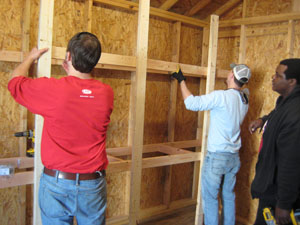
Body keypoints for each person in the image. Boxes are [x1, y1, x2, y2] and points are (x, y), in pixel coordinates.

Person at [8, 32, 114, 225]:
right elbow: (82, 93)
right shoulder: (107, 93)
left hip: (56, 184)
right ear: (95, 61)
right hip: (92, 185)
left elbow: (14, 82)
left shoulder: (53, 90)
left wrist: (31, 57)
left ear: (68, 57)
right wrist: (73, 72)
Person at [171, 63, 251, 225]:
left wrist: (181, 80)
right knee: (228, 196)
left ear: (230, 76)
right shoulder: (245, 99)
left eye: (230, 72)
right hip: (233, 157)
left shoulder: (221, 96)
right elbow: (240, 91)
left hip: (217, 157)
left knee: (210, 197)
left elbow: (191, 103)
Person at [249, 59, 300, 225]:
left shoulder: (295, 114)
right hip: (271, 188)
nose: (273, 77)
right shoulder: (285, 102)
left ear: (291, 81)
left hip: (280, 196)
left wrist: (284, 204)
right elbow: (277, 115)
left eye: (278, 75)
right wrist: (263, 120)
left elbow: (291, 163)